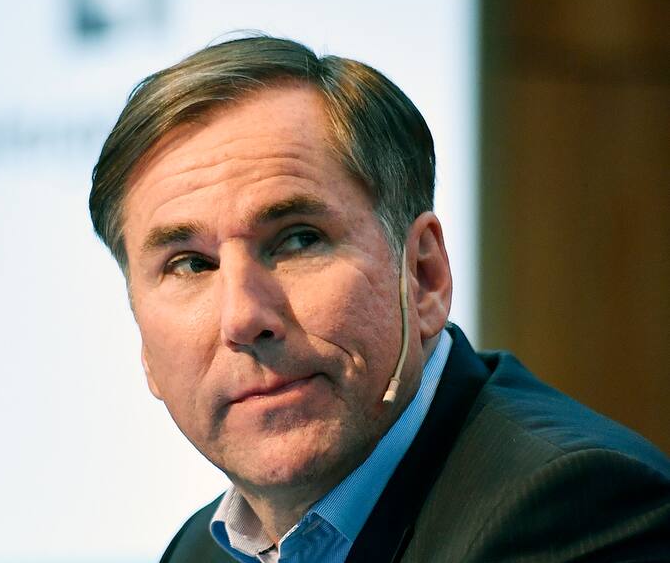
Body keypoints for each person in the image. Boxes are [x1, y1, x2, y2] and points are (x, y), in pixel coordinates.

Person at [88, 35, 670, 562]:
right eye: (190, 264)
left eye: (298, 240)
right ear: (144, 346)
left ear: (423, 276)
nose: (243, 318)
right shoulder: (202, 551)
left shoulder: (572, 508)